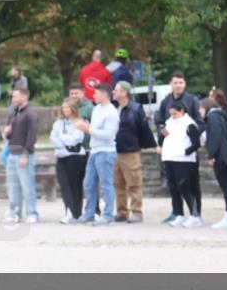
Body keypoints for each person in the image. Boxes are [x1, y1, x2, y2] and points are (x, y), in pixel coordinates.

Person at [155, 71, 203, 222]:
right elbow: (161, 122)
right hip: (171, 153)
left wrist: (187, 139)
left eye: (181, 82)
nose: (178, 85)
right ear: (171, 84)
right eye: (175, 83)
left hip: (186, 153)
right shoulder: (165, 101)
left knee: (191, 184)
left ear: (185, 84)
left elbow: (199, 123)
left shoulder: (192, 100)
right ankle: (177, 212)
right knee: (173, 184)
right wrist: (161, 141)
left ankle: (196, 213)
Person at [112, 81, 156, 223]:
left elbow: (143, 129)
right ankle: (122, 212)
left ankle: (137, 212)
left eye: (116, 90)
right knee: (118, 184)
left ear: (124, 93)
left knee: (134, 183)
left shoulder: (136, 109)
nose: (113, 92)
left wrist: (142, 146)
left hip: (130, 151)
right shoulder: (114, 108)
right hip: (115, 151)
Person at [200, 95, 227, 230]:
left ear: (206, 107)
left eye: (200, 109)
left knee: (226, 186)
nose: (199, 112)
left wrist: (211, 154)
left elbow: (215, 136)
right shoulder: (221, 115)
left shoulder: (212, 117)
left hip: (221, 155)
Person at [76, 83, 118, 224]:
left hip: (106, 152)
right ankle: (89, 214)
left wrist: (88, 129)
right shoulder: (96, 109)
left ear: (104, 94)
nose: (93, 96)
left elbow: (108, 135)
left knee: (106, 184)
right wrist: (87, 127)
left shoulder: (111, 112)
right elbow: (94, 129)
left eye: (96, 94)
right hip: (94, 151)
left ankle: (107, 215)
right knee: (88, 183)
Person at [161, 101, 202, 228]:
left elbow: (196, 143)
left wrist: (185, 152)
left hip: (184, 160)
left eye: (175, 114)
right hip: (169, 158)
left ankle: (195, 215)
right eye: (171, 114)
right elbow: (164, 138)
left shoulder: (189, 124)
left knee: (185, 187)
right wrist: (162, 136)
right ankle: (178, 213)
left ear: (182, 112)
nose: (173, 116)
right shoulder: (169, 123)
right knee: (173, 188)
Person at [3, 87, 39, 223]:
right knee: (12, 186)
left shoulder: (31, 114)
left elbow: (32, 136)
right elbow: (9, 135)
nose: (13, 99)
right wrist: (6, 133)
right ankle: (15, 212)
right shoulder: (13, 114)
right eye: (13, 97)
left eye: (15, 97)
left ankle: (32, 212)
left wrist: (25, 154)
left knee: (27, 185)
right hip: (12, 154)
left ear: (24, 97)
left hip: (24, 155)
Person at [50, 97, 87, 224]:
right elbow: (52, 139)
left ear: (73, 108)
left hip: (75, 158)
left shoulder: (79, 122)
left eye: (67, 107)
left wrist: (62, 138)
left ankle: (77, 213)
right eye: (63, 107)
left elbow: (75, 139)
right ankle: (69, 211)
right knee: (65, 186)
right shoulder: (58, 123)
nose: (65, 109)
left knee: (75, 186)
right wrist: (64, 143)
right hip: (61, 157)